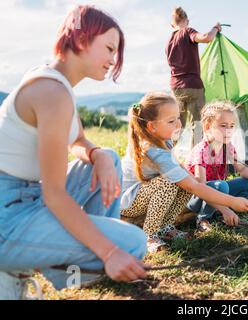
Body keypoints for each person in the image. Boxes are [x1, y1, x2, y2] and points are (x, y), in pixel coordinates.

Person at [0, 5, 150, 295]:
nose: (112, 60)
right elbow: (54, 194)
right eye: (108, 48)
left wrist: (99, 156)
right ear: (82, 39)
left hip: (24, 197)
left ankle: (74, 261)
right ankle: (65, 265)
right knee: (132, 243)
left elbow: (78, 140)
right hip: (7, 216)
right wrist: (109, 252)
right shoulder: (51, 92)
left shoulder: (58, 84)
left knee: (109, 158)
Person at [120, 93, 248, 253]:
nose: (178, 125)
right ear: (152, 126)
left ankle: (165, 227)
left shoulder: (164, 140)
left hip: (145, 193)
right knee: (172, 183)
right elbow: (193, 187)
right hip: (128, 202)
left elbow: (184, 173)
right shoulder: (153, 149)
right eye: (171, 121)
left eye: (178, 118)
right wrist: (231, 202)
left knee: (184, 179)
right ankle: (150, 235)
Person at [185, 101, 248, 233]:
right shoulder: (201, 151)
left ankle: (224, 208)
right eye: (223, 126)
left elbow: (242, 169)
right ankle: (204, 219)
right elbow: (200, 187)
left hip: (220, 192)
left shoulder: (227, 146)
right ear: (207, 126)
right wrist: (225, 208)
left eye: (232, 126)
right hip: (196, 197)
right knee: (222, 186)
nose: (229, 130)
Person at [165, 6, 222, 146]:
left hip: (176, 88)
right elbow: (207, 38)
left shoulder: (169, 42)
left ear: (172, 24)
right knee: (197, 126)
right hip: (193, 86)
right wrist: (215, 28)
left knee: (176, 126)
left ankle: (168, 156)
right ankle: (195, 162)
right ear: (187, 20)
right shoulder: (187, 31)